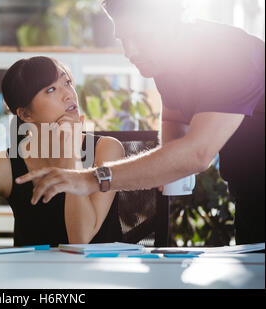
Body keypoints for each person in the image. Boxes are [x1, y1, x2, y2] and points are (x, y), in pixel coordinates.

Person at [16, 0, 265, 245]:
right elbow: (173, 117)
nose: (130, 51)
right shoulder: (167, 63)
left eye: (140, 37)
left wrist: (89, 179)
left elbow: (198, 153)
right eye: (123, 39)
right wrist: (170, 169)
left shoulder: (231, 54)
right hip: (249, 194)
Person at [0, 56, 126, 247]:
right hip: (32, 275)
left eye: (67, 82)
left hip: (96, 273)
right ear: (25, 114)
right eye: (51, 89)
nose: (68, 94)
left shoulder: (106, 150)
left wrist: (71, 155)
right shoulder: (7, 165)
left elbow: (80, 239)